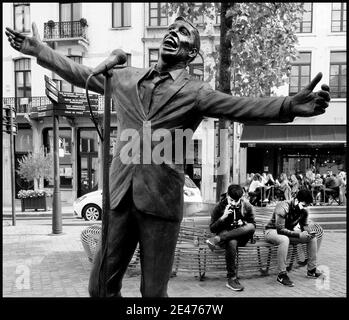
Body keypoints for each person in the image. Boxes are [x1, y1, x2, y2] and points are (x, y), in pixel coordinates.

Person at [5, 17, 331, 297]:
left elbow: (241, 106)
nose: (174, 32)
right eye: (172, 28)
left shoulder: (196, 92)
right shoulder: (126, 76)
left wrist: (288, 106)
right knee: (100, 287)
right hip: (119, 197)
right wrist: (40, 51)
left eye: (184, 32)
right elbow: (82, 73)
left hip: (160, 203)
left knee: (153, 293)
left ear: (191, 53)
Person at [265, 190, 323, 287]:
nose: (306, 208)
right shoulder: (283, 206)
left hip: (288, 233)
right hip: (272, 231)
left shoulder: (304, 210)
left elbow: (304, 225)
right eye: (304, 205)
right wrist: (299, 235)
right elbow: (280, 230)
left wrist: (308, 232)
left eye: (307, 205)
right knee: (284, 239)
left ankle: (311, 270)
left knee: (312, 238)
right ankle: (281, 275)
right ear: (296, 200)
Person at [206, 184, 256, 291]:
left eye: (236, 201)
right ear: (227, 195)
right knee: (232, 241)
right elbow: (212, 229)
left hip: (241, 237)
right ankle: (231, 278)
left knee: (251, 226)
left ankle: (217, 239)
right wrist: (222, 217)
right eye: (231, 200)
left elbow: (252, 225)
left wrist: (243, 223)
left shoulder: (246, 205)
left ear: (241, 198)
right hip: (228, 241)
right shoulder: (219, 207)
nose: (234, 203)